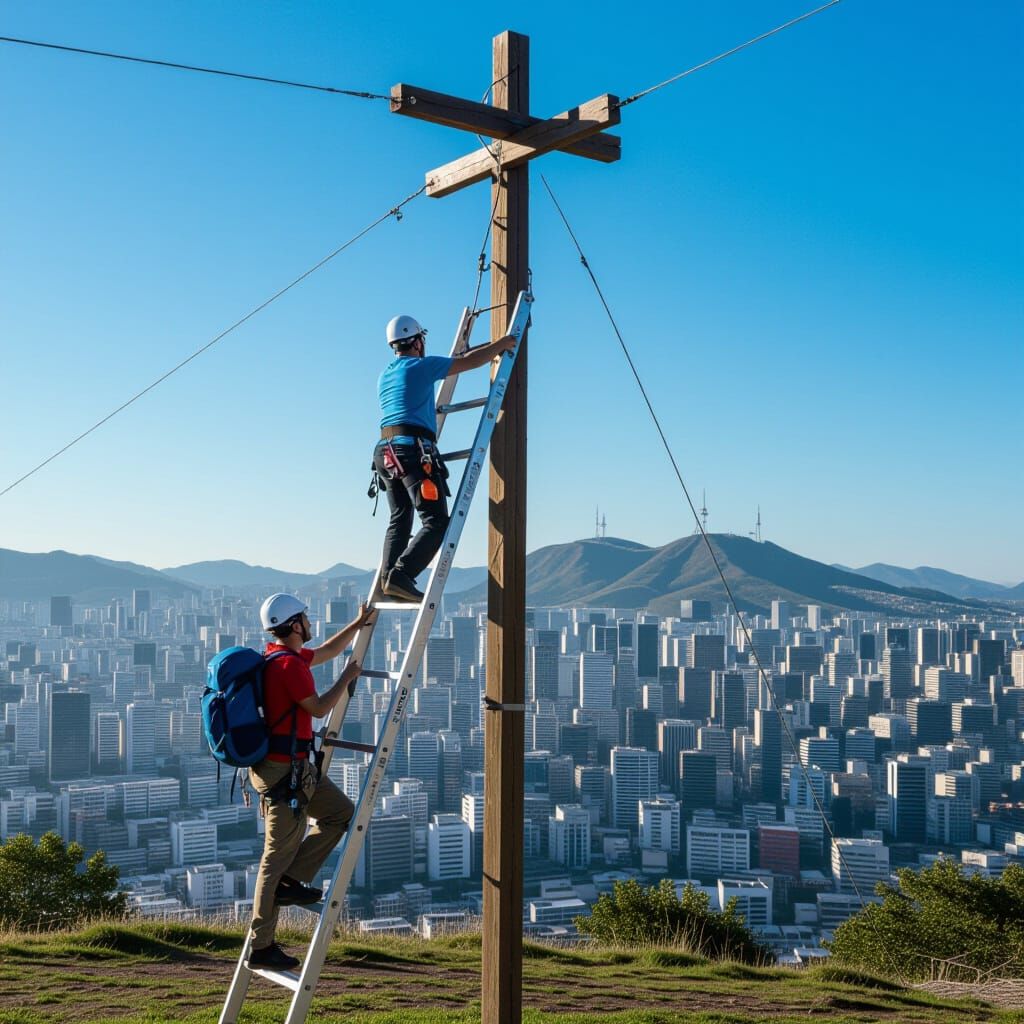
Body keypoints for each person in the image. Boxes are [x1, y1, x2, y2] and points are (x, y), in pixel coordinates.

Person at [246, 592, 372, 970]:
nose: (309, 621)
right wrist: (347, 678)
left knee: (340, 814)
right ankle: (261, 945)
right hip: (286, 774)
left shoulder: (280, 657)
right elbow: (317, 708)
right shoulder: (289, 667)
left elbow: (329, 651)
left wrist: (358, 623)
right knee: (274, 859)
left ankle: (293, 879)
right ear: (294, 625)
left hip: (296, 770)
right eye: (304, 617)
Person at [373, 313, 517, 602]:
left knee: (400, 518)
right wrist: (503, 343)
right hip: (412, 450)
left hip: (385, 453)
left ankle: (391, 577)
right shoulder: (421, 366)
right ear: (416, 341)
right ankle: (401, 576)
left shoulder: (386, 374)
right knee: (437, 521)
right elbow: (470, 363)